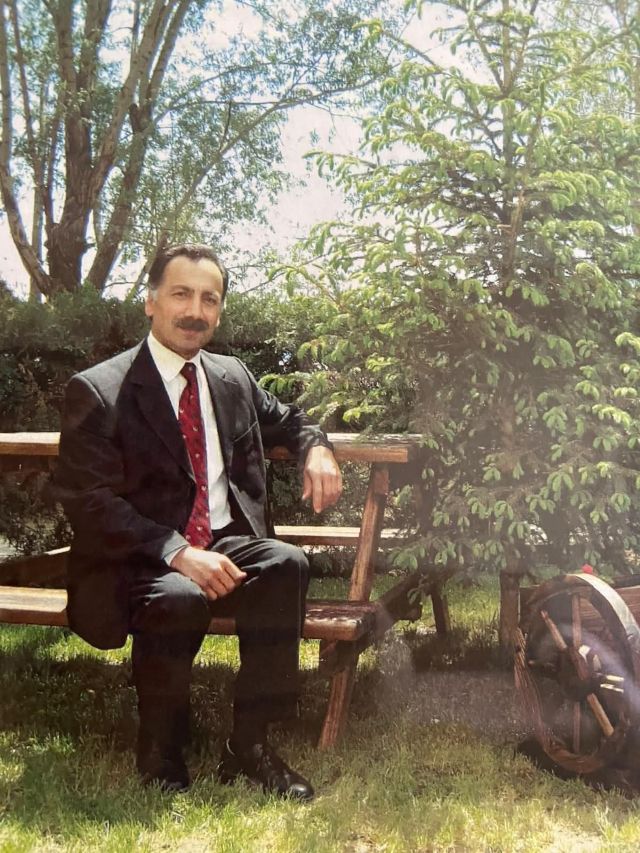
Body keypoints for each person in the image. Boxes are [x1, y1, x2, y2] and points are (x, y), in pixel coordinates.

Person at [53, 243, 342, 799]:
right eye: (181, 294)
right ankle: (160, 745)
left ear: (220, 310)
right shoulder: (99, 389)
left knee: (285, 563)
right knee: (179, 596)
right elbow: (87, 501)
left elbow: (291, 419)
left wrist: (318, 448)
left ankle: (250, 744)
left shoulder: (231, 377)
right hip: (133, 560)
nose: (195, 311)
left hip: (221, 542)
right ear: (151, 301)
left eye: (209, 299)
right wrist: (177, 552)